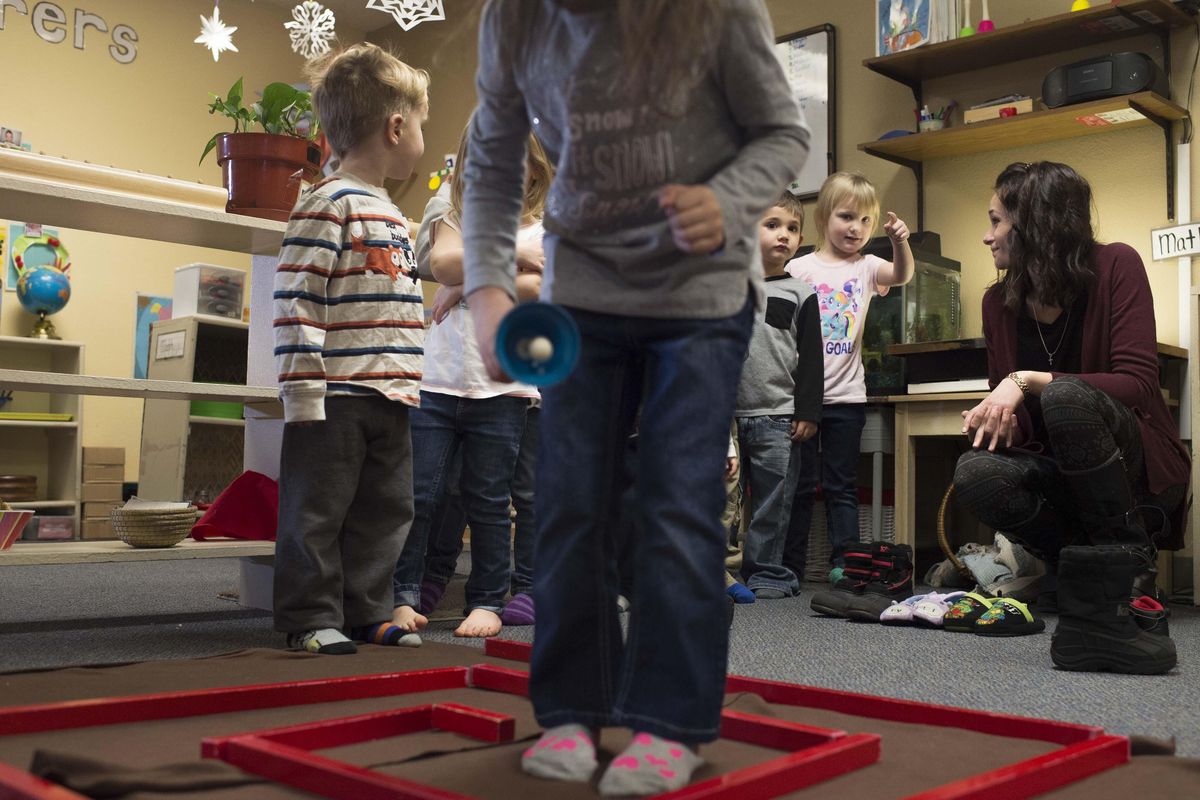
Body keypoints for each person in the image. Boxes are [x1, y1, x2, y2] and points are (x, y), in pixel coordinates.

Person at [461, 0, 809, 794]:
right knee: (568, 502)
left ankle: (667, 722)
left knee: (678, 502)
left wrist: (728, 203)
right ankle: (573, 713)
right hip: (583, 286)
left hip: (703, 293)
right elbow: (491, 158)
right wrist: (485, 291)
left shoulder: (720, 11)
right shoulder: (515, 18)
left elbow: (783, 135)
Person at [953, 161, 1188, 675]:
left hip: (1136, 471)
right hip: (1064, 475)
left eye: (996, 221)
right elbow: (1022, 418)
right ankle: (1080, 572)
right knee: (974, 471)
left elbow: (1138, 386)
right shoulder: (997, 301)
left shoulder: (1117, 266)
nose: (986, 236)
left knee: (1067, 396)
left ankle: (1128, 574)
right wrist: (1002, 421)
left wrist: (1026, 381)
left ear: (1036, 225)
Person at [271, 43, 430, 655]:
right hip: (335, 393)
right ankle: (309, 616)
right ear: (396, 127)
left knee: (384, 511)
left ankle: (367, 611)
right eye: (419, 125)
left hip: (392, 393)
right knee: (317, 510)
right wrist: (303, 388)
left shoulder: (390, 211)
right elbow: (297, 299)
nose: (420, 135)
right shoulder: (328, 202)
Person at [391, 122, 550, 639]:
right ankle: (404, 594)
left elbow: (539, 285)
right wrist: (505, 261)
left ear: (531, 169)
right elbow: (441, 261)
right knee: (420, 495)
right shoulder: (454, 217)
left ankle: (487, 598)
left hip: (501, 389)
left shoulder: (542, 229)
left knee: (488, 499)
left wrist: (463, 288)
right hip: (435, 383)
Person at [783, 172, 913, 590]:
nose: (855, 228)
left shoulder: (868, 267)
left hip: (847, 397)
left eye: (865, 220)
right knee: (799, 486)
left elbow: (903, 275)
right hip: (799, 398)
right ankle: (790, 565)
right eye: (846, 217)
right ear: (823, 218)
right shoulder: (798, 268)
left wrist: (899, 241)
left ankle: (846, 562)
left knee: (841, 485)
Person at [734, 192, 822, 599]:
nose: (783, 235)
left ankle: (767, 571)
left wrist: (807, 411)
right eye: (772, 225)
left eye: (792, 228)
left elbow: (810, 360)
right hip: (730, 418)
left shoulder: (801, 294)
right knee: (729, 503)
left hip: (779, 415)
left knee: (774, 501)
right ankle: (726, 571)